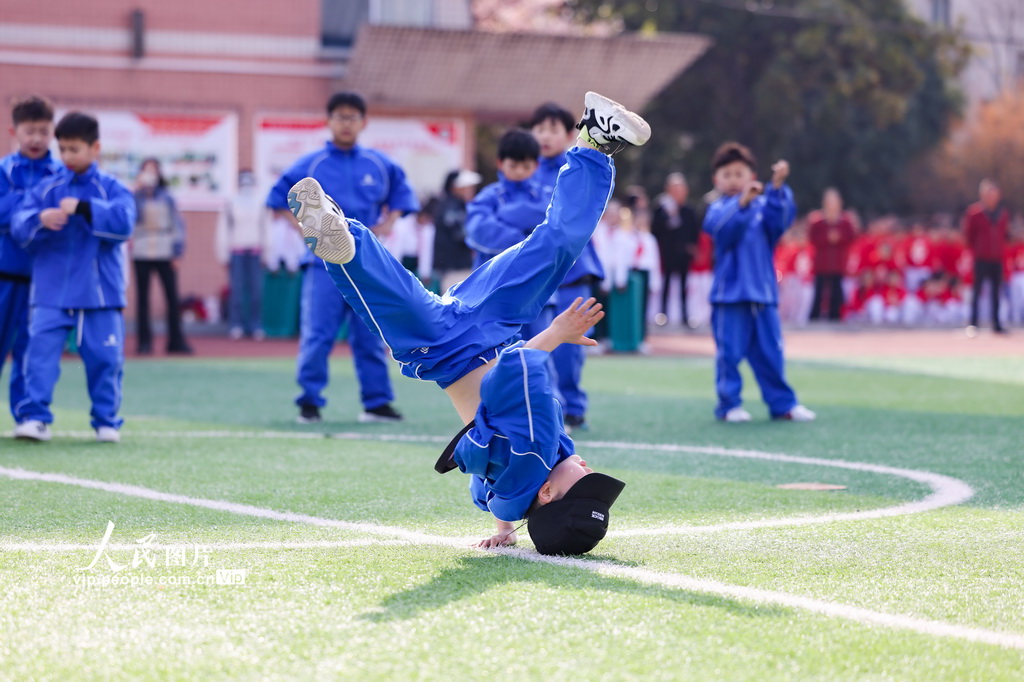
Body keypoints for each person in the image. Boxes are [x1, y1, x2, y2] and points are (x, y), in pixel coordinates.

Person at [287, 92, 648, 553]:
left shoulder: (535, 449)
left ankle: (594, 143)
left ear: (547, 492)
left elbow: (512, 371)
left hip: (459, 344)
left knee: (554, 246)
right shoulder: (524, 475)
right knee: (396, 294)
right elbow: (492, 493)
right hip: (477, 331)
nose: (588, 469)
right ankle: (345, 238)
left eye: (584, 482)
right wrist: (505, 529)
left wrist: (558, 334)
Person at [267, 91, 417, 424]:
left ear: (363, 122)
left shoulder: (380, 164)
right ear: (329, 120)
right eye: (340, 116)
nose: (346, 123)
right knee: (318, 334)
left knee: (371, 334)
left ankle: (376, 404)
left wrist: (387, 223)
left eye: (352, 117)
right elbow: (277, 200)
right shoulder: (311, 164)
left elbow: (403, 198)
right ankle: (309, 403)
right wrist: (306, 230)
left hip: (367, 264)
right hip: (322, 266)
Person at [11, 111, 136, 442]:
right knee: (39, 359)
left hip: (99, 295)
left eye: (74, 149)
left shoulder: (111, 188)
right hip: (51, 293)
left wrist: (84, 208)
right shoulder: (46, 189)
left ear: (95, 148)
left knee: (106, 361)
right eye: (62, 149)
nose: (66, 156)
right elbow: (19, 225)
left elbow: (125, 223)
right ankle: (36, 418)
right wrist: (40, 217)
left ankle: (106, 421)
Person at [702, 142, 815, 423]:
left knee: (772, 352)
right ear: (717, 180)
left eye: (739, 173)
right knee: (729, 355)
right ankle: (729, 405)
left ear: (752, 176)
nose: (733, 180)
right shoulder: (718, 209)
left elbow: (782, 221)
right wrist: (742, 203)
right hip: (729, 297)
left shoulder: (764, 206)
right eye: (726, 174)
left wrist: (777, 187)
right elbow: (719, 230)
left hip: (763, 293)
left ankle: (783, 404)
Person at [529, 102, 606, 431]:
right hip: (538, 277)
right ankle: (549, 409)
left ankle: (574, 408)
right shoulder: (525, 171)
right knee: (538, 344)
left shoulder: (575, 168)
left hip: (573, 272)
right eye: (539, 129)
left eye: (553, 129)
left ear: (570, 135)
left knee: (570, 351)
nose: (545, 136)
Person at [0, 96, 61, 433]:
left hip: (42, 281)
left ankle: (31, 416)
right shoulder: (4, 170)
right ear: (14, 131)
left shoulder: (61, 173)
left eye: (43, 131)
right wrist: (35, 210)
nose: (36, 138)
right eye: (29, 131)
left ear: (52, 132)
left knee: (32, 351)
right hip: (3, 275)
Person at [132, 157, 192, 355]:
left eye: (154, 170)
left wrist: (177, 251)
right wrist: (136, 191)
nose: (150, 175)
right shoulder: (135, 197)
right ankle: (144, 342)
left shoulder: (167, 197)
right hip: (141, 250)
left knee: (172, 297)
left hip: (165, 249)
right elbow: (129, 217)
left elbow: (177, 225)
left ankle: (175, 340)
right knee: (142, 299)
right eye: (146, 170)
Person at [217, 169, 269, 340]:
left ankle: (255, 325)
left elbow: (266, 228)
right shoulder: (231, 202)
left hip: (255, 251)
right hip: (237, 251)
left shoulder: (261, 202)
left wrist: (267, 252)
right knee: (237, 291)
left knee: (256, 291)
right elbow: (223, 229)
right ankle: (236, 324)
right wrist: (223, 252)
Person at [651, 172, 700, 327]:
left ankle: (685, 315)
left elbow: (694, 230)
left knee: (684, 284)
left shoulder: (689, 210)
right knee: (666, 283)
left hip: (684, 253)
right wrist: (668, 216)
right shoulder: (662, 208)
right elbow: (655, 229)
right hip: (668, 252)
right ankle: (662, 314)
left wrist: (692, 246)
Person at [962, 179, 1009, 335]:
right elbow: (969, 236)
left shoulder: (1002, 213)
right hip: (981, 258)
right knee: (977, 291)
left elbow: (1004, 235)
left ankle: (996, 323)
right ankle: (973, 323)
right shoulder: (974, 213)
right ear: (982, 194)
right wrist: (978, 250)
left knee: (996, 292)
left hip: (997, 258)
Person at [808, 188, 856, 321]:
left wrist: (838, 238)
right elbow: (813, 239)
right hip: (822, 263)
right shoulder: (817, 222)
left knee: (836, 292)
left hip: (838, 263)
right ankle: (815, 317)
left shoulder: (845, 222)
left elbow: (851, 238)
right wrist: (827, 238)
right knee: (819, 291)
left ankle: (836, 317)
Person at [432, 169, 481, 292]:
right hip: (455, 268)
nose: (469, 189)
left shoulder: (455, 205)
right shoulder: (451, 207)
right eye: (465, 186)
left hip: (457, 267)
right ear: (454, 187)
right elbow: (461, 235)